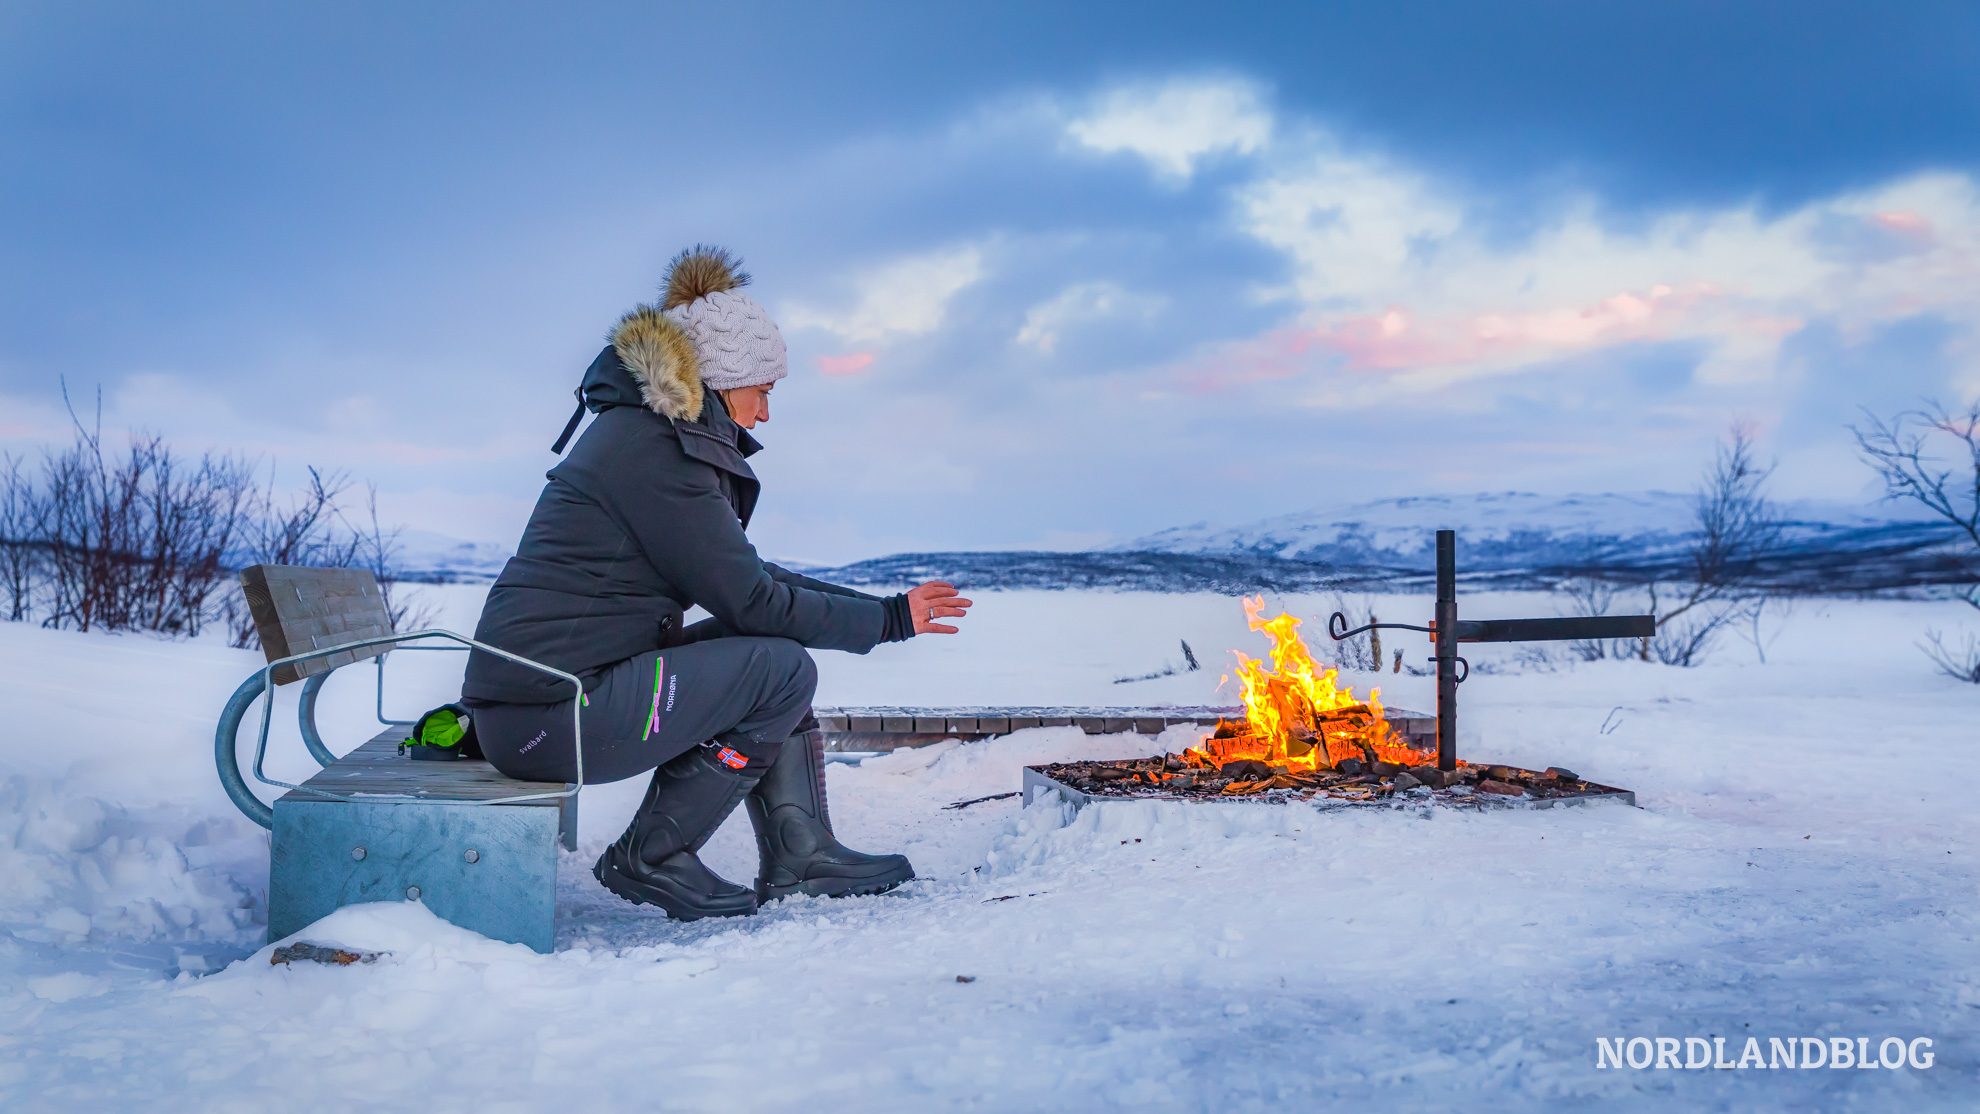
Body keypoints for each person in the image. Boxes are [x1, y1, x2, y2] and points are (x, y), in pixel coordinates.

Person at [460, 245, 971, 921]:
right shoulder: (654, 449)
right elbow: (754, 597)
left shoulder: (648, 438)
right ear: (727, 382)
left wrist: (887, 611)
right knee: (777, 666)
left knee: (764, 648)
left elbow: (745, 582)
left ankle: (801, 850)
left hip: (543, 702)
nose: (763, 415)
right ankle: (654, 855)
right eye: (765, 392)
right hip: (550, 717)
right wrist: (887, 622)